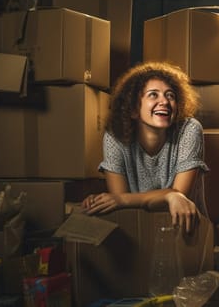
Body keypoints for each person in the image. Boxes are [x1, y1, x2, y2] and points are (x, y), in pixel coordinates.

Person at [82, 62, 209, 233]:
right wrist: (168, 195)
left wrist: (124, 200)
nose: (164, 101)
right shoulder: (115, 136)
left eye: (170, 95)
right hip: (137, 231)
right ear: (133, 109)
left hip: (185, 230)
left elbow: (180, 196)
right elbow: (120, 204)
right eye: (153, 95)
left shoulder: (190, 129)